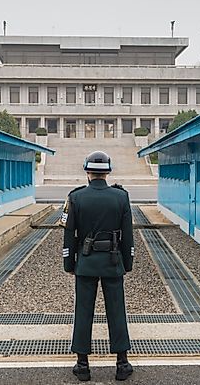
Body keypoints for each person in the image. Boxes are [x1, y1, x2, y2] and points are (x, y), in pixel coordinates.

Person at [63, 151, 134, 381]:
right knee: (117, 311)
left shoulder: (75, 197)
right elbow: (128, 235)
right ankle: (122, 363)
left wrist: (69, 263)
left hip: (85, 261)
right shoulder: (121, 197)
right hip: (113, 261)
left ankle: (82, 364)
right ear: (108, 172)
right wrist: (127, 262)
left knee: (83, 312)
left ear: (87, 171)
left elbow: (69, 234)